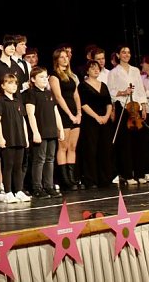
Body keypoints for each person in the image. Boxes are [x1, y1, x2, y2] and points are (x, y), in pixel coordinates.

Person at [107, 45, 149, 185]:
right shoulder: (113, 72)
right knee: (125, 144)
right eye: (123, 52)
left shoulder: (135, 70)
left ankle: (140, 173)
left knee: (139, 142)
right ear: (118, 55)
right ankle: (127, 174)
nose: (126, 54)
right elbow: (111, 91)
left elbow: (140, 90)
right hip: (123, 107)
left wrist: (143, 106)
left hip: (135, 108)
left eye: (128, 52)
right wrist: (123, 92)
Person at [24, 67, 63, 198]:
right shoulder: (31, 93)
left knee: (50, 159)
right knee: (39, 159)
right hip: (40, 131)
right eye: (41, 77)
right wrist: (35, 132)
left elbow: (56, 112)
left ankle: (49, 186)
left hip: (51, 130)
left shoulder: (49, 93)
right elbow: (30, 114)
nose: (45, 79)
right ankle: (37, 187)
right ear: (33, 79)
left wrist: (60, 129)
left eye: (46, 77)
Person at [0, 73, 29, 203]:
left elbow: (23, 120)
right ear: (3, 85)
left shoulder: (18, 101)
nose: (13, 86)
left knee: (18, 166)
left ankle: (18, 190)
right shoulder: (0, 101)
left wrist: (26, 137)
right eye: (9, 83)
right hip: (8, 138)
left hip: (19, 138)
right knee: (8, 165)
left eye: (15, 83)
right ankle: (8, 192)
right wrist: (1, 138)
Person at [78, 60, 114, 188]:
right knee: (91, 150)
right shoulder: (82, 86)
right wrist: (97, 117)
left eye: (97, 68)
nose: (96, 70)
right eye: (92, 68)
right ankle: (91, 179)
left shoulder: (103, 85)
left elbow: (109, 103)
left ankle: (105, 178)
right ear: (87, 71)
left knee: (105, 149)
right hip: (90, 121)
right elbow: (84, 104)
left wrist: (106, 116)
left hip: (105, 120)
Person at [50, 47, 82, 190]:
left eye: (66, 56)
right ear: (56, 60)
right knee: (63, 146)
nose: (65, 59)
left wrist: (79, 113)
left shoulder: (72, 76)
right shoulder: (54, 76)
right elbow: (58, 97)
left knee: (72, 146)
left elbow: (76, 95)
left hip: (75, 114)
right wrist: (69, 114)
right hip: (63, 113)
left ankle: (72, 177)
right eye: (61, 57)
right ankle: (64, 180)